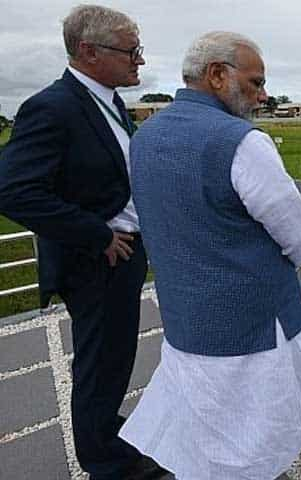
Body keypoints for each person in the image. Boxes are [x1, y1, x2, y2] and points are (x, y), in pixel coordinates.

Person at [119, 31, 301, 479]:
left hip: (187, 318)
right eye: (256, 82)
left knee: (206, 426)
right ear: (218, 75)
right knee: (254, 436)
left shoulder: (144, 136)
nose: (262, 95)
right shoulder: (241, 142)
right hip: (251, 326)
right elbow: (298, 235)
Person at [0, 5, 165, 479]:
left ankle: (107, 436)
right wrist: (97, 236)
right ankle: (107, 464)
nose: (139, 60)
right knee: (99, 364)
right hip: (95, 261)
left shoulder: (106, 100)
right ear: (89, 52)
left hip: (121, 254)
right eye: (130, 50)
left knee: (113, 360)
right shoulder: (52, 107)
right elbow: (13, 190)